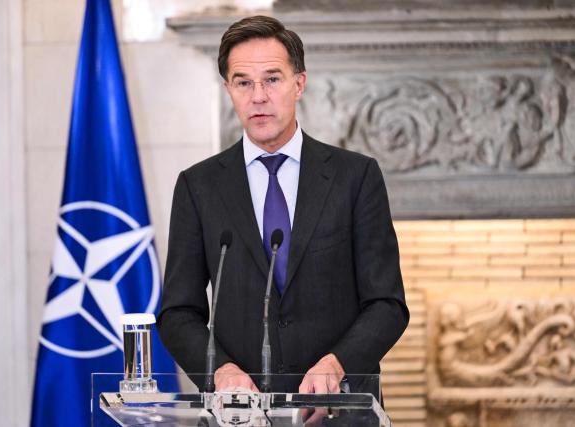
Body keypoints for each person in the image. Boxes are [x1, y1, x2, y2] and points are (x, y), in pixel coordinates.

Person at [157, 15, 409, 398]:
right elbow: (178, 313)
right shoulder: (199, 186)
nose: (258, 96)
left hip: (339, 410)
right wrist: (220, 371)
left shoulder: (355, 177)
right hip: (240, 413)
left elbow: (387, 303)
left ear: (299, 84)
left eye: (272, 79)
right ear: (229, 89)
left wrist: (337, 364)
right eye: (243, 82)